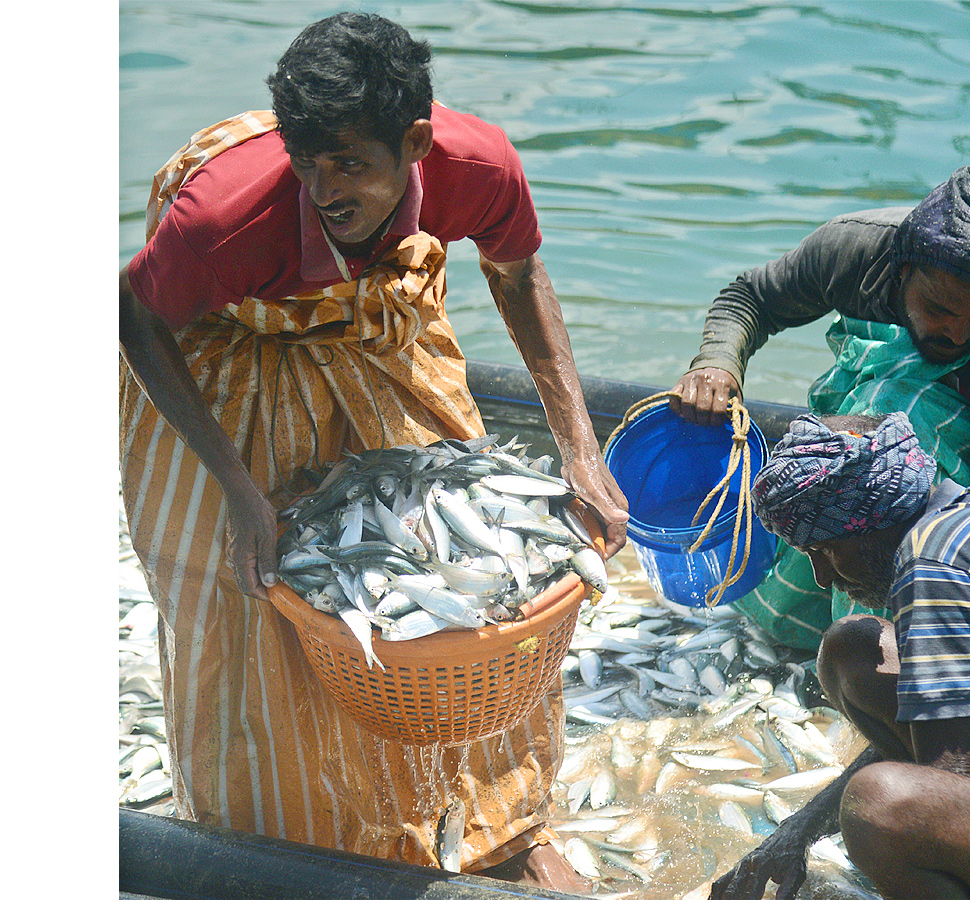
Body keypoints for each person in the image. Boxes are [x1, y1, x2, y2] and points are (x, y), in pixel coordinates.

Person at [118, 12, 627, 891]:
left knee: (472, 588)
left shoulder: (478, 166)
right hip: (224, 352)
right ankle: (273, 836)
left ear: (417, 143)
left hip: (375, 329)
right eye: (306, 161)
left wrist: (581, 447)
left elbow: (517, 275)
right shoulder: (224, 216)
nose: (323, 188)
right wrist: (239, 489)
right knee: (253, 603)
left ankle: (496, 827)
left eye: (350, 162)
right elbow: (136, 319)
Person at [670, 164, 970, 651]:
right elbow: (751, 297)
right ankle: (810, 622)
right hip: (885, 397)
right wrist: (717, 365)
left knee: (892, 436)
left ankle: (873, 643)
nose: (956, 333)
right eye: (938, 309)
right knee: (851, 446)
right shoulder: (857, 251)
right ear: (902, 273)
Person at [708, 412, 970, 900]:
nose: (822, 579)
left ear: (871, 526)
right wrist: (795, 833)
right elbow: (937, 744)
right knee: (851, 650)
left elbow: (940, 792)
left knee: (880, 806)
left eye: (826, 551)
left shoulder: (931, 568)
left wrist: (867, 824)